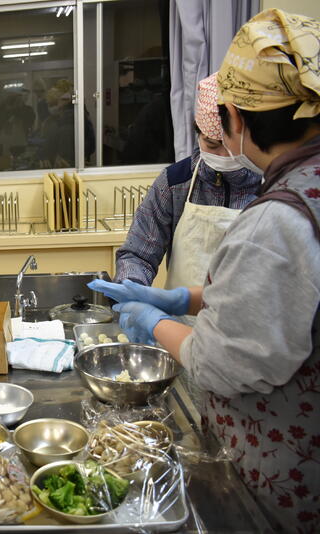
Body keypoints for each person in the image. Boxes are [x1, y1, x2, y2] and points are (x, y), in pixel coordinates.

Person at [89, 9, 320, 532]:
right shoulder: (178, 182)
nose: (217, 153)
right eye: (205, 142)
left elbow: (222, 360)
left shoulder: (276, 215)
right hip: (197, 363)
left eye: (221, 141)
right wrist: (156, 293)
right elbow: (140, 249)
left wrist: (153, 321)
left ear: (236, 119)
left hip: (281, 463)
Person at [114, 73, 261, 287]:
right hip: (181, 309)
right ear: (197, 134)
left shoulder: (272, 185)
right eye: (212, 145)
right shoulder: (175, 182)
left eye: (231, 147)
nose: (223, 156)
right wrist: (131, 286)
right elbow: (138, 253)